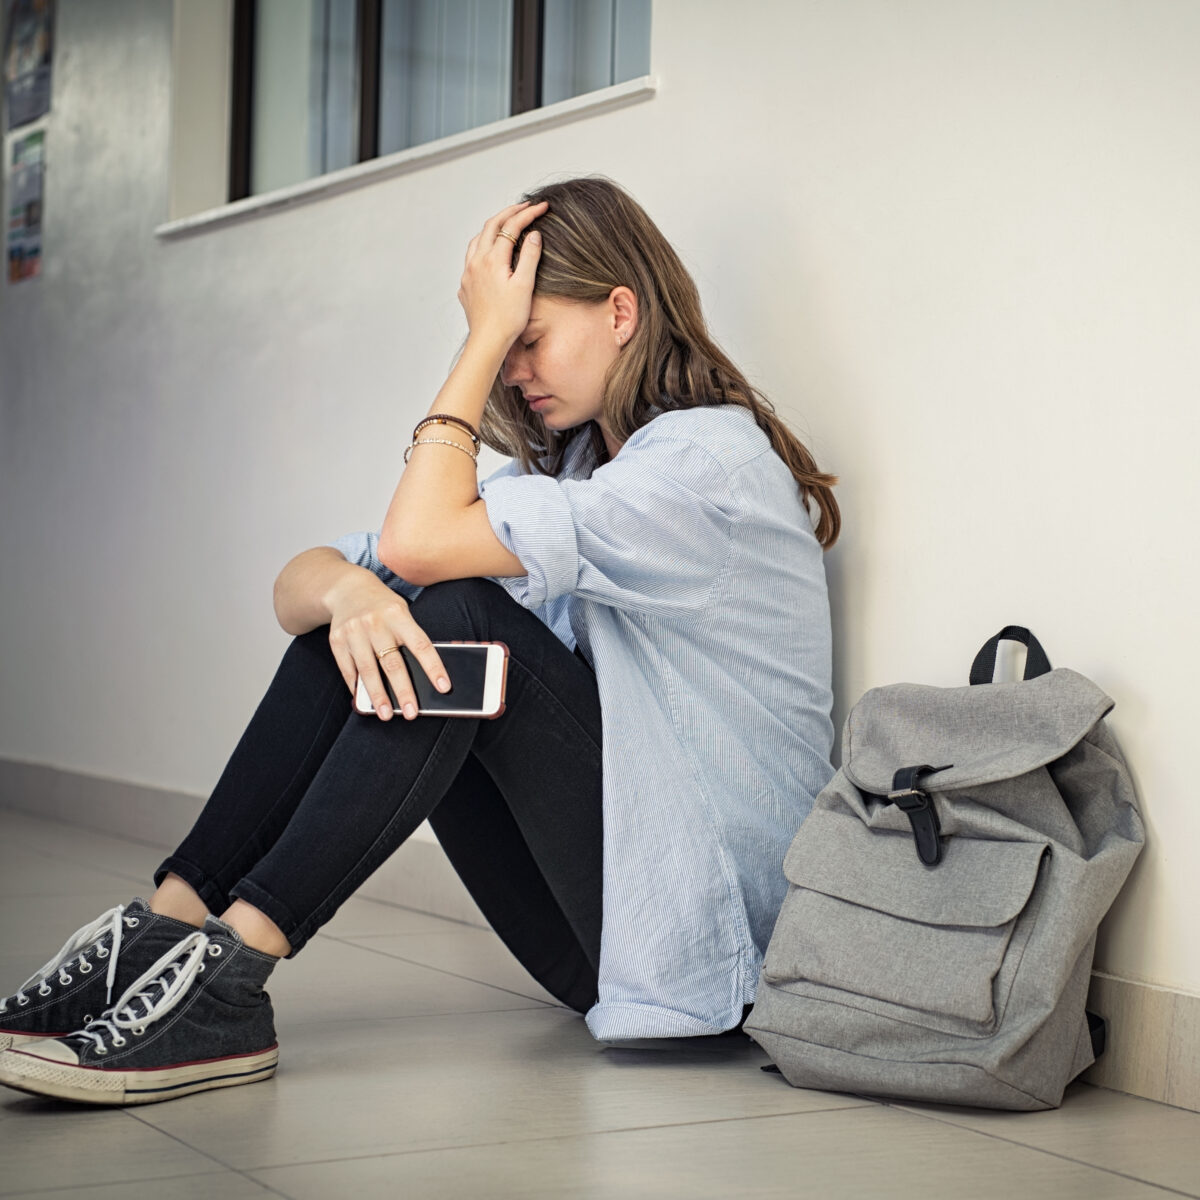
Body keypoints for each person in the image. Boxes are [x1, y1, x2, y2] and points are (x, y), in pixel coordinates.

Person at [0, 177, 839, 1107]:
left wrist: (480, 339)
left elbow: (416, 545)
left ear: (621, 312)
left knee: (457, 617)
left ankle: (230, 978)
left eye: (529, 338)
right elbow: (301, 587)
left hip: (707, 946)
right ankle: (167, 931)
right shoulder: (578, 472)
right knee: (359, 623)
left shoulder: (703, 466)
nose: (515, 368)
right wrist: (352, 591)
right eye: (503, 343)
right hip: (606, 942)